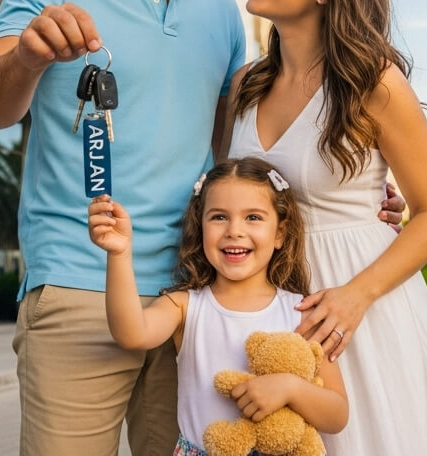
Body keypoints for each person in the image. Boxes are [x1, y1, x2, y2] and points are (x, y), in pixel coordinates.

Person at [0, 0, 402, 456]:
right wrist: (27, 57)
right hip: (79, 286)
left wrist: (353, 197)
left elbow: (236, 155)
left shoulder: (223, 15)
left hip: (198, 300)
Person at [224, 0, 427, 454]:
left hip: (358, 313)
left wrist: (355, 298)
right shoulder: (245, 85)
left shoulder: (373, 83)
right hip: (270, 306)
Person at [88, 157, 348, 456]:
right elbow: (131, 334)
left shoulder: (303, 313)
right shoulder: (184, 305)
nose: (234, 230)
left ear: (280, 233)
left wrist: (291, 388)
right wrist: (119, 254)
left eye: (253, 217)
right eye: (219, 217)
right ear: (200, 228)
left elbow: (337, 414)